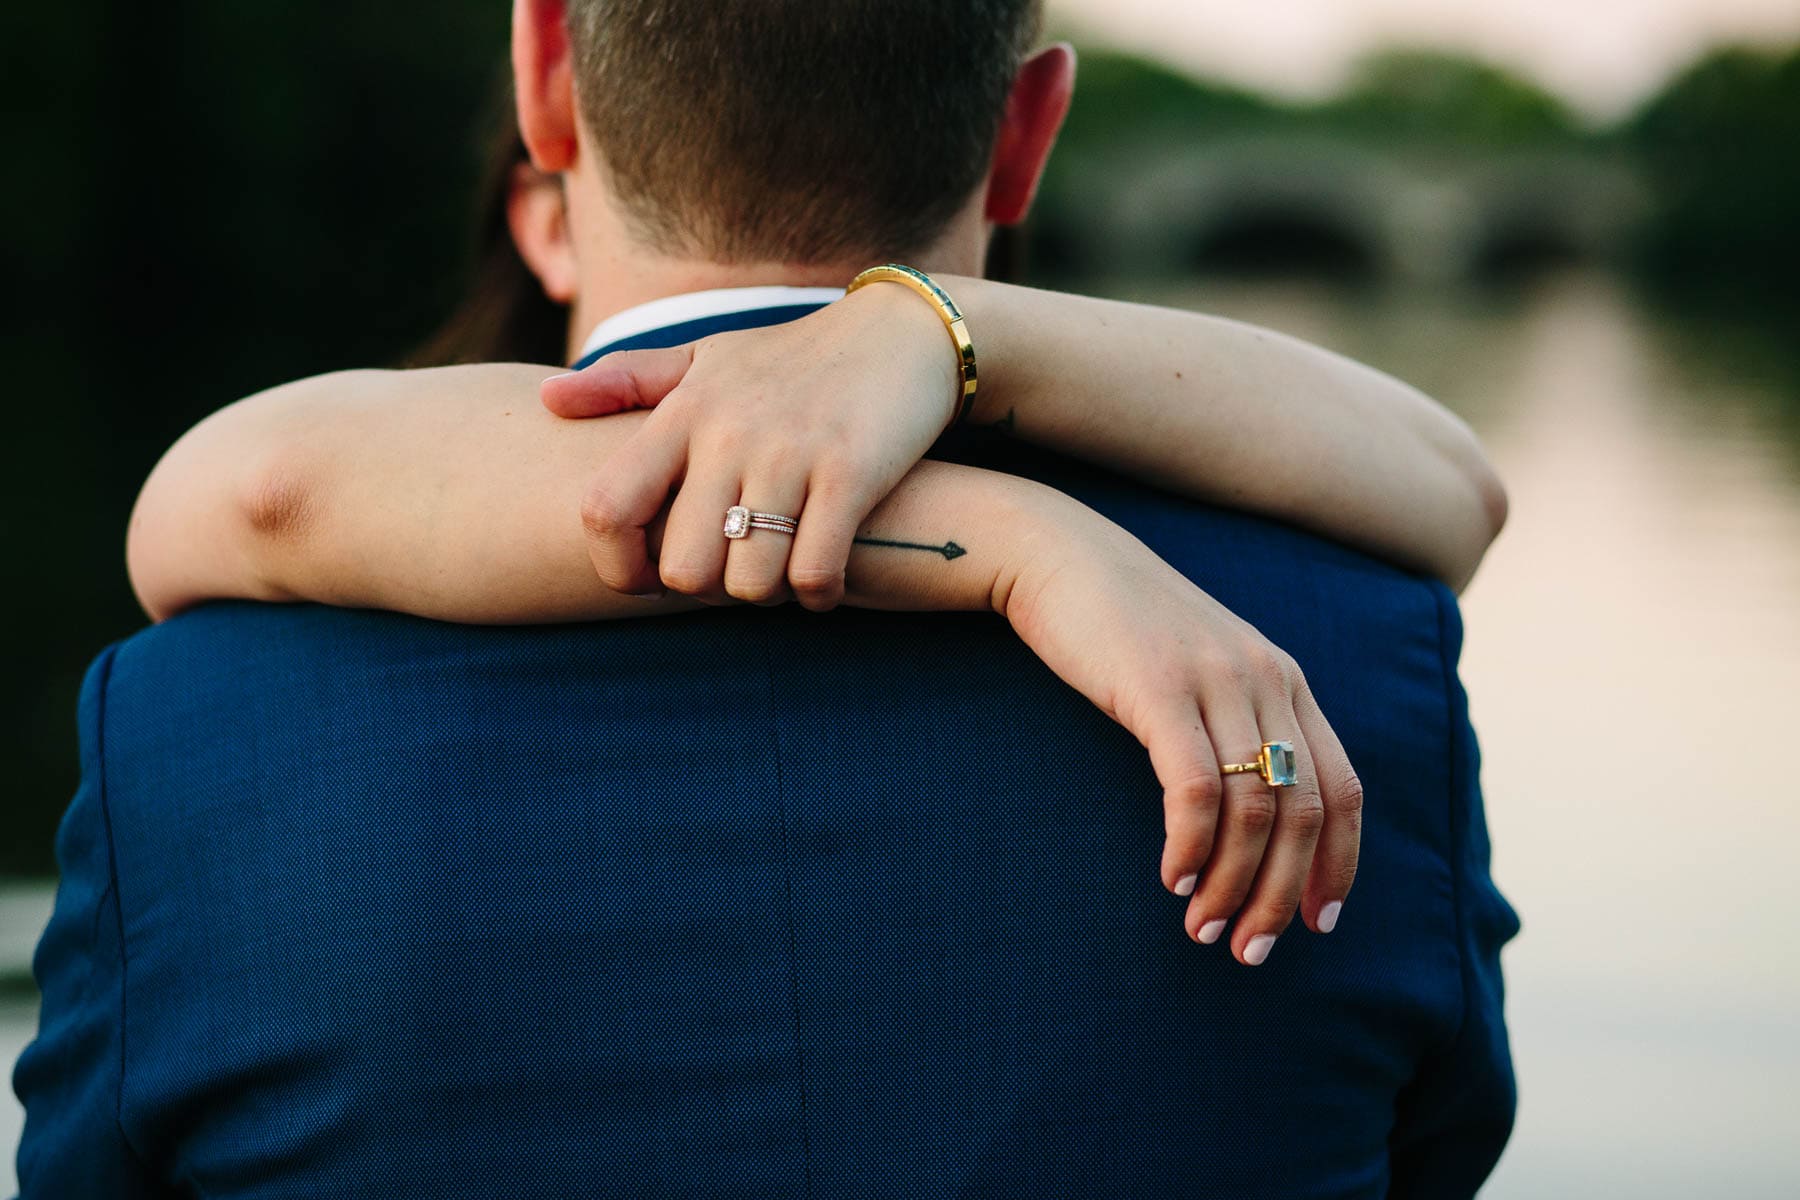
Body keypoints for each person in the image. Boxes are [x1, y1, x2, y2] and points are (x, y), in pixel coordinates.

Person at [14, 2, 1520, 1196]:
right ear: (1030, 131)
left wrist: (947, 376)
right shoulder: (1346, 672)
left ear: (547, 72)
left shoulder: (192, 728)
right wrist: (1005, 511)